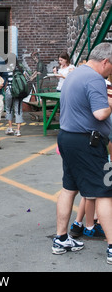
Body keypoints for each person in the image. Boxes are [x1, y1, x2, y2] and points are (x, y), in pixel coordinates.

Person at [52, 43, 112, 264]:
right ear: (105, 61)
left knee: (69, 188)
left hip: (67, 137)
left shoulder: (75, 73)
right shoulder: (95, 79)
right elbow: (100, 113)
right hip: (87, 142)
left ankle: (61, 239)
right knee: (104, 192)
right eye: (111, 67)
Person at [5, 57, 25, 137]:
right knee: (18, 110)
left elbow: (5, 81)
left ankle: (10, 128)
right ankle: (18, 130)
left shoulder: (6, 69)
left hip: (9, 90)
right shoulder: (20, 69)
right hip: (19, 91)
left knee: (9, 109)